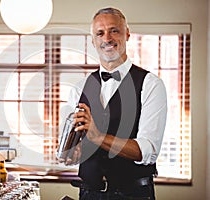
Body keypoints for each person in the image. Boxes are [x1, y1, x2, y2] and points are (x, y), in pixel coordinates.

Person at [61, 7, 167, 200]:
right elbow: (72, 146)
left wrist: (98, 136)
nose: (107, 38)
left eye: (114, 30)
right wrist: (74, 153)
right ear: (93, 41)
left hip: (133, 195)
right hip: (88, 194)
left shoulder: (150, 84)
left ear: (127, 34)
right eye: (100, 33)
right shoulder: (79, 88)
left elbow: (147, 150)